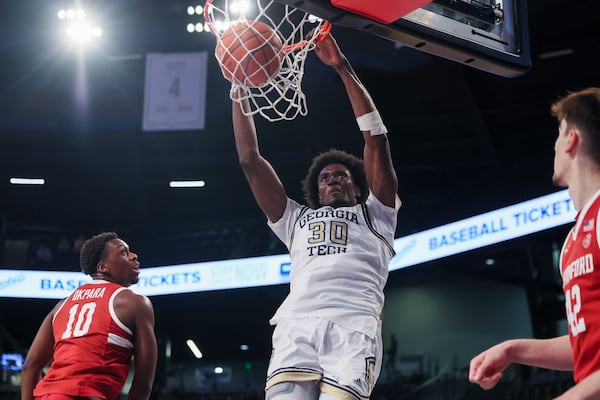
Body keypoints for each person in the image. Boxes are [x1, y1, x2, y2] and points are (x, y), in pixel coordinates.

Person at [230, 32, 400, 400]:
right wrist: (239, 85)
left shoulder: (378, 214)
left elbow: (376, 140)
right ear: (315, 189)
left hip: (353, 326)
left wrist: (342, 67)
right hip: (297, 326)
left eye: (342, 176)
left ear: (358, 187)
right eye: (326, 178)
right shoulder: (295, 220)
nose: (334, 180)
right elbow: (249, 159)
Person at [468, 87, 600, 399]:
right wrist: (513, 350)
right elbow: (586, 345)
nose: (554, 145)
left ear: (571, 139)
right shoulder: (573, 239)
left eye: (559, 133)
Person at [21, 232, 158, 400]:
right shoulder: (134, 303)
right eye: (123, 252)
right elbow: (143, 384)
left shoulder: (61, 305)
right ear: (102, 267)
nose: (133, 255)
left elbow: (30, 366)